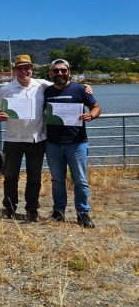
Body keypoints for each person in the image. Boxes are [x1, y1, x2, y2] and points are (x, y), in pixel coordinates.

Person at [0, 55, 50, 222]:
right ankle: (9, 207)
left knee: (35, 177)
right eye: (20, 68)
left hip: (36, 140)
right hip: (13, 140)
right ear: (15, 70)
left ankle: (32, 209)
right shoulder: (6, 89)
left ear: (32, 69)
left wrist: (85, 87)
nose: (24, 71)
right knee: (10, 177)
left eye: (27, 68)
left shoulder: (42, 85)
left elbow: (65, 87)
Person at [44, 59, 101, 228]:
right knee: (57, 180)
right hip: (53, 144)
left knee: (80, 180)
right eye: (56, 71)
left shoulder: (81, 89)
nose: (59, 73)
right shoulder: (46, 91)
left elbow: (96, 107)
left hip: (77, 143)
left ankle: (82, 213)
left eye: (63, 70)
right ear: (50, 73)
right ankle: (58, 212)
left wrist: (91, 115)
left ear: (69, 71)